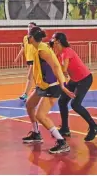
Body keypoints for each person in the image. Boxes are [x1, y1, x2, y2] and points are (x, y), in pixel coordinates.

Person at [22, 26, 74, 154]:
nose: (27, 37)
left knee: (41, 115)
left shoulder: (42, 51)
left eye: (28, 35)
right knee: (29, 105)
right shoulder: (37, 48)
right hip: (43, 85)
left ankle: (62, 142)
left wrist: (62, 85)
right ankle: (36, 133)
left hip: (53, 86)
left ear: (32, 38)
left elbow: (56, 67)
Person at [50, 32, 97, 141]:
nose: (51, 40)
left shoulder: (67, 51)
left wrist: (58, 68)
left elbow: (63, 69)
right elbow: (60, 70)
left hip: (85, 79)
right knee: (62, 101)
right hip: (74, 80)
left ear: (58, 41)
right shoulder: (58, 54)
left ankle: (94, 126)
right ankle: (65, 128)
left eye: (53, 39)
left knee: (75, 104)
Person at [14, 22, 37, 101]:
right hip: (29, 60)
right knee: (35, 77)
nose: (29, 28)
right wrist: (17, 58)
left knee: (29, 77)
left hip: (35, 60)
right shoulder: (25, 38)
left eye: (31, 27)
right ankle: (40, 90)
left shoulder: (36, 38)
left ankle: (26, 94)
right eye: (28, 26)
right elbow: (23, 48)